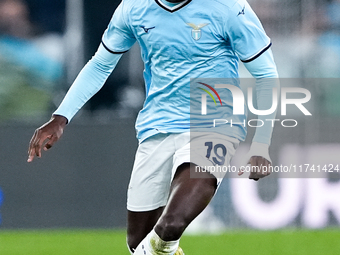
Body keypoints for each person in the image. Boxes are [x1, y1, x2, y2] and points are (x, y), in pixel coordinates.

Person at [27, 0, 279, 254]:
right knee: (139, 244)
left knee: (170, 225)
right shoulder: (133, 8)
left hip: (214, 124)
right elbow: (101, 64)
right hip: (157, 127)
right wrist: (61, 117)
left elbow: (266, 74)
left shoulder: (227, 6)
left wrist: (261, 143)